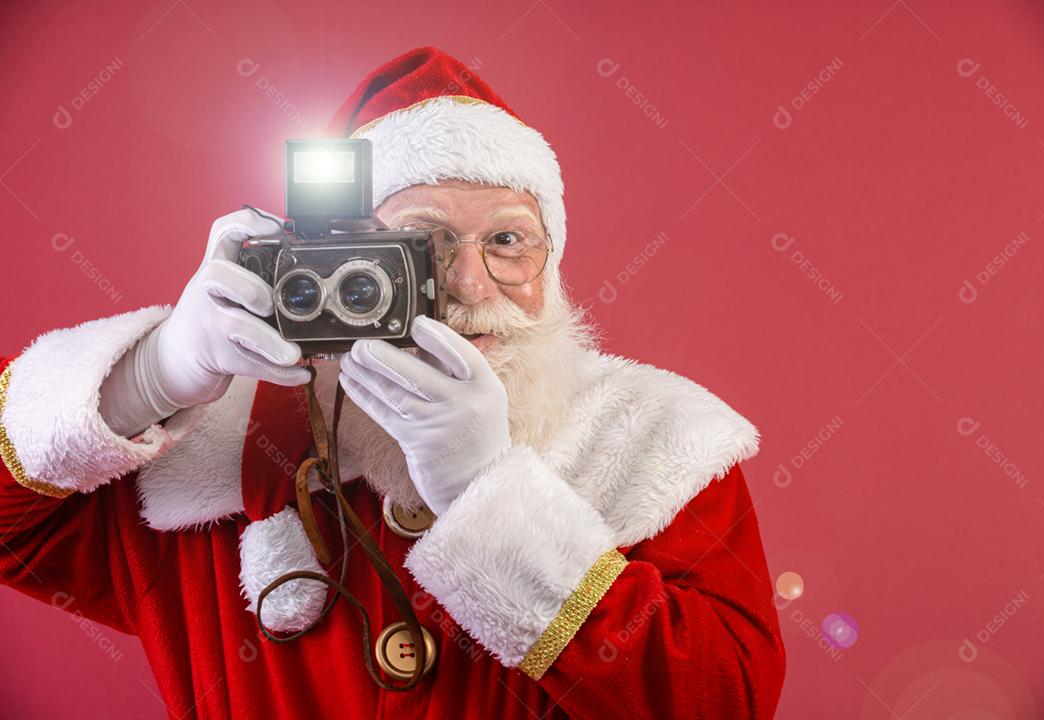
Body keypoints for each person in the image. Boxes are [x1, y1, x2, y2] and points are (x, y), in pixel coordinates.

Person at [0, 46, 786, 719]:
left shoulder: (651, 440)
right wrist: (150, 373)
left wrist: (490, 496)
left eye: (509, 240)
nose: (472, 285)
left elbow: (727, 699)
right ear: (340, 271)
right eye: (423, 244)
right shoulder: (214, 454)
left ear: (553, 259)